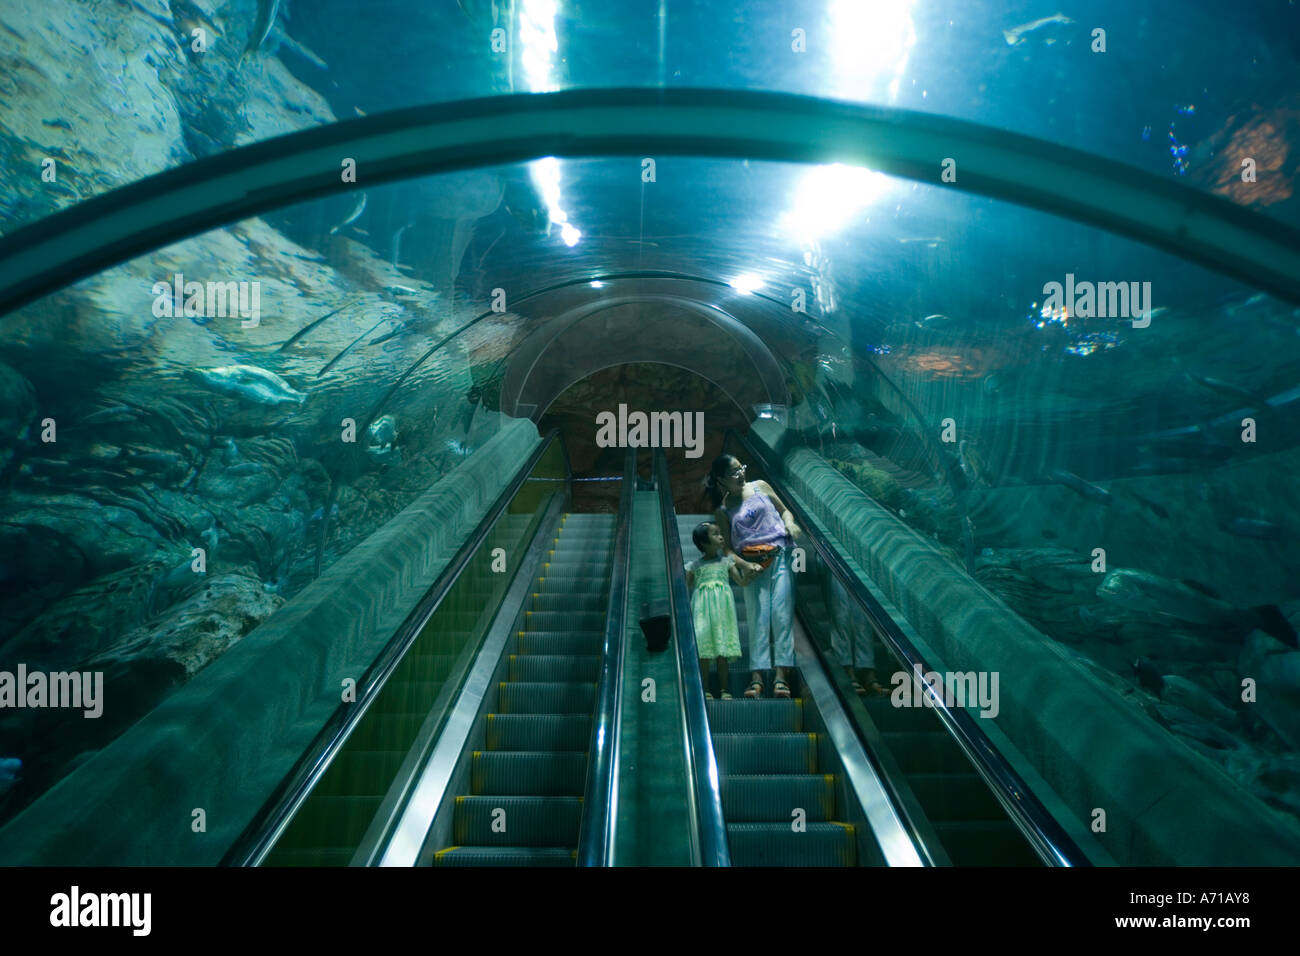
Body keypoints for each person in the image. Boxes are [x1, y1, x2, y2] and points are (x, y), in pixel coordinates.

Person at [704, 454, 801, 699]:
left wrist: (790, 524)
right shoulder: (723, 510)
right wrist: (742, 567)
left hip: (780, 556)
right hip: (753, 564)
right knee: (757, 618)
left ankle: (781, 676)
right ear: (721, 480)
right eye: (734, 472)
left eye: (741, 468)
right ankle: (757, 676)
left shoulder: (760, 487)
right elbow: (727, 548)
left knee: (782, 614)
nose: (741, 474)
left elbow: (784, 511)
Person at [685, 521, 750, 699]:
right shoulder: (694, 566)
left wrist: (752, 571)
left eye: (720, 533)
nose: (721, 536)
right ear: (704, 542)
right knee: (703, 652)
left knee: (722, 651)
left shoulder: (727, 562)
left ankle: (724, 689)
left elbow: (742, 582)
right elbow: (683, 589)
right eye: (715, 534)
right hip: (701, 612)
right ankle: (704, 689)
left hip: (723, 611)